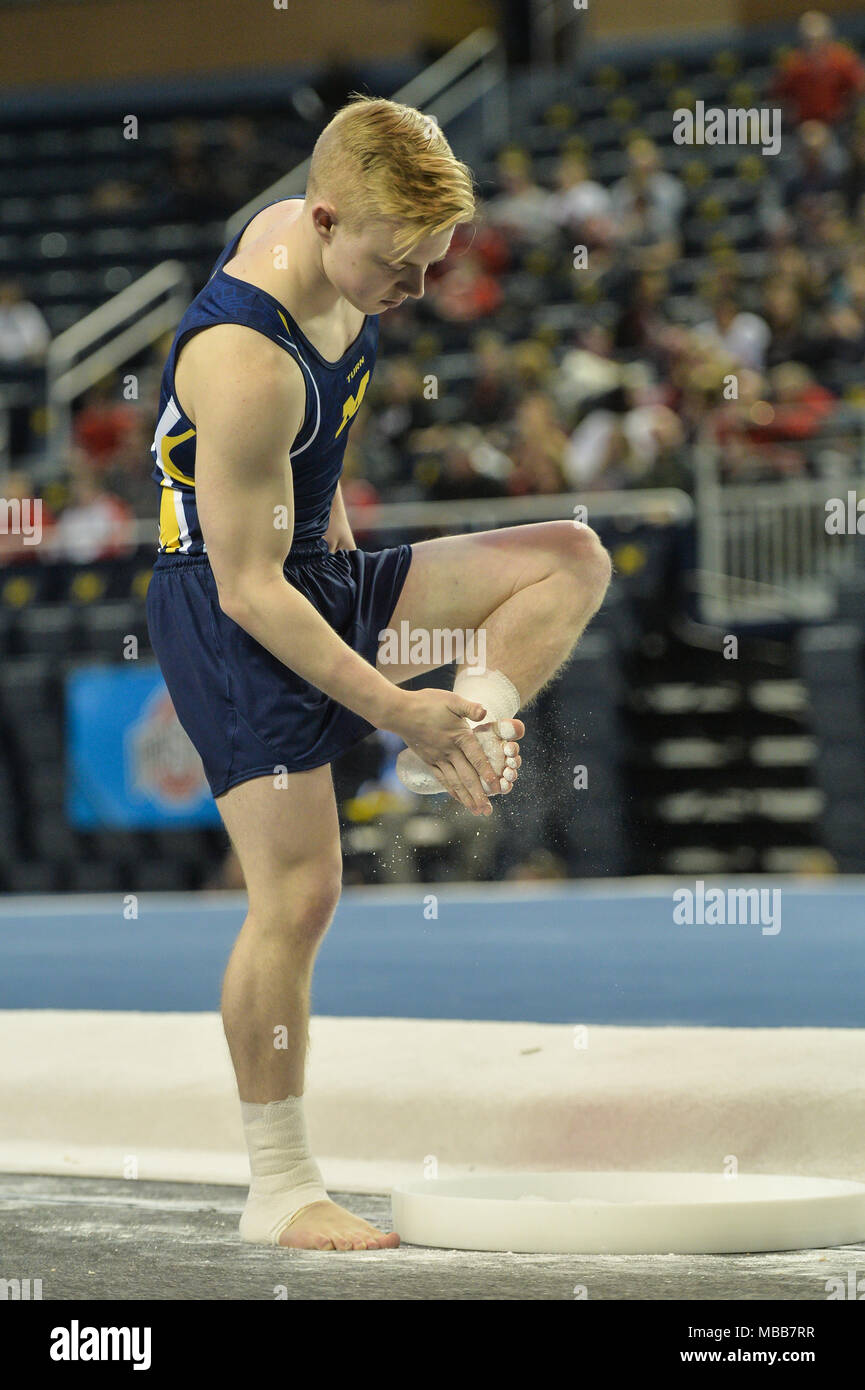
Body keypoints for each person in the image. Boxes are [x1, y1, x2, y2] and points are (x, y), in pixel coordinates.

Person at [145, 95, 611, 1254]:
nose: (417, 294)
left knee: (570, 558)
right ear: (319, 217)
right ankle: (278, 1187)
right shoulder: (245, 357)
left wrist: (433, 684)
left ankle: (482, 723)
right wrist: (398, 704)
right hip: (230, 608)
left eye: (432, 269)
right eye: (400, 270)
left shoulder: (348, 249)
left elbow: (324, 439)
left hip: (322, 561)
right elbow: (251, 586)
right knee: (298, 898)